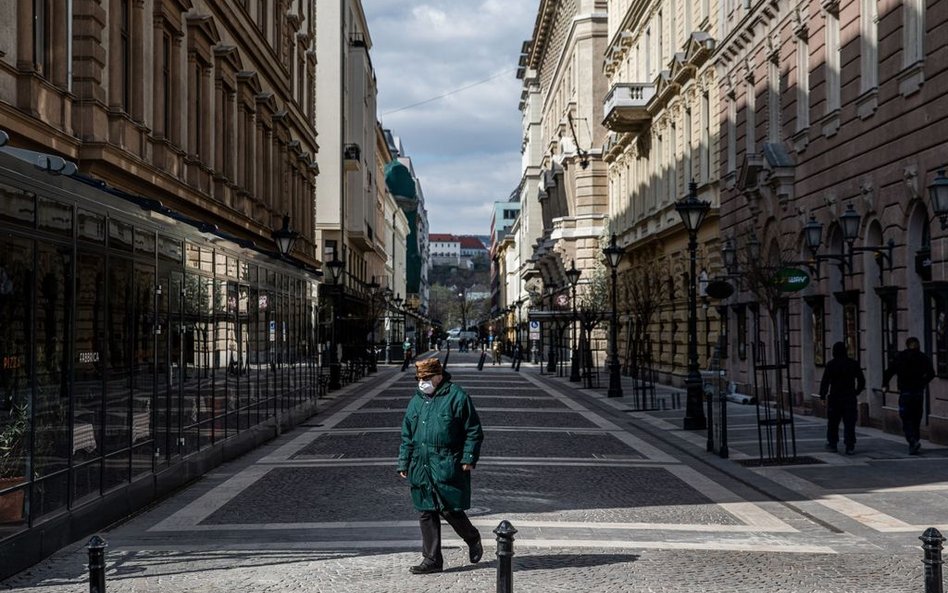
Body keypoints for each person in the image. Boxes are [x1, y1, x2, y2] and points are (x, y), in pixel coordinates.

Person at [397, 358, 484, 574]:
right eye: (419, 379)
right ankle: (432, 560)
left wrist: (468, 458)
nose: (422, 382)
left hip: (446, 463)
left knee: (449, 509)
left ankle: (472, 538)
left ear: (439, 376)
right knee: (426, 511)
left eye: (426, 378)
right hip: (421, 464)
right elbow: (407, 434)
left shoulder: (457, 396)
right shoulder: (416, 400)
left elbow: (473, 430)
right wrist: (403, 461)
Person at [883, 337, 935, 455]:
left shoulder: (901, 357)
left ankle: (912, 440)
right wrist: (922, 382)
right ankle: (915, 440)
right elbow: (931, 373)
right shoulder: (923, 357)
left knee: (906, 417)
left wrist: (884, 384)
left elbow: (889, 371)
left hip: (906, 392)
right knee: (916, 418)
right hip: (918, 392)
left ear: (907, 345)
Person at [819, 341, 866, 455]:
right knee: (849, 422)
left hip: (835, 397)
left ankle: (832, 443)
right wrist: (856, 392)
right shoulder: (853, 364)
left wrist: (823, 395)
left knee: (833, 422)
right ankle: (849, 445)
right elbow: (861, 380)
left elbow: (825, 381)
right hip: (849, 397)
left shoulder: (831, 364)